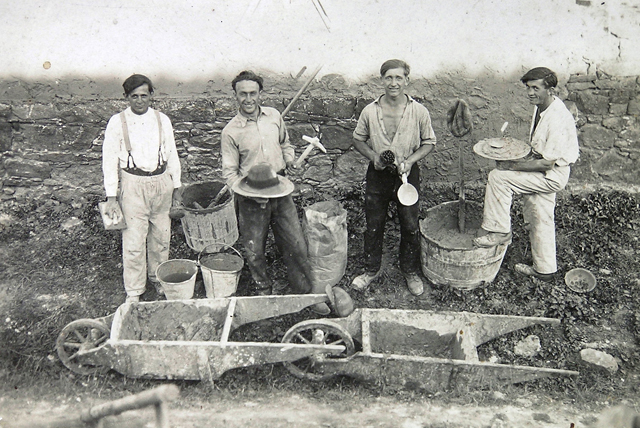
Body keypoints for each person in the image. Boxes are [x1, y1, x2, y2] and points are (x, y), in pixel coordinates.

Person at [221, 70, 330, 314]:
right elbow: (230, 173)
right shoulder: (230, 132)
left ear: (260, 93)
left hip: (280, 190)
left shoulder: (274, 116)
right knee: (254, 249)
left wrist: (289, 159)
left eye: (253, 93)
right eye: (242, 94)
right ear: (235, 96)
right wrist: (249, 193)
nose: (248, 99)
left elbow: (285, 143)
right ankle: (264, 291)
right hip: (251, 196)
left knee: (296, 243)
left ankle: (306, 291)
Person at [473, 67, 579, 281]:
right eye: (528, 88)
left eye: (535, 88)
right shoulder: (542, 107)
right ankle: (545, 270)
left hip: (552, 174)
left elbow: (547, 163)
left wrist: (512, 166)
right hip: (545, 167)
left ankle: (500, 231)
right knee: (539, 212)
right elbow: (538, 148)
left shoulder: (557, 117)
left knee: (498, 177)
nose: (530, 93)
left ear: (550, 90)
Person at [351, 59, 437, 296]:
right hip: (378, 176)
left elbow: (429, 142)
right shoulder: (370, 111)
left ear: (407, 80)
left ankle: (410, 271)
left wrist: (410, 161)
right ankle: (371, 270)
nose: (393, 83)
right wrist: (373, 157)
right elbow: (358, 139)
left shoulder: (418, 111)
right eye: (389, 77)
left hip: (407, 176)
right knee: (373, 224)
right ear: (381, 80)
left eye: (399, 78)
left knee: (410, 225)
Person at [102, 74, 182, 303]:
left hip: (162, 183)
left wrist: (177, 187)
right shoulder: (117, 122)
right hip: (133, 185)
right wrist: (111, 197)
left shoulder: (162, 119)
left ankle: (158, 279)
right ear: (126, 97)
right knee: (134, 241)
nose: (139, 101)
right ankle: (134, 290)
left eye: (144, 95)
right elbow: (109, 160)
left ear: (151, 96)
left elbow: (172, 154)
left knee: (161, 237)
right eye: (134, 96)